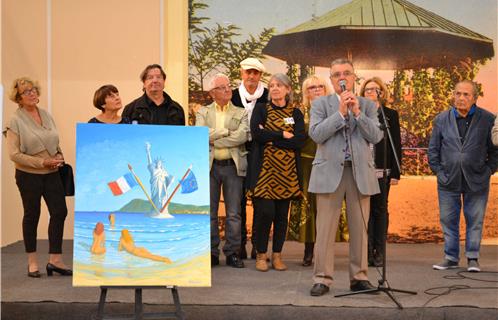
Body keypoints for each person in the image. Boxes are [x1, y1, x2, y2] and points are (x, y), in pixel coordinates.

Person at [308, 59, 382, 296]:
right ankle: (322, 278)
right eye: (336, 74)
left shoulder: (368, 106)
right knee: (325, 230)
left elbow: (376, 136)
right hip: (329, 172)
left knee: (360, 229)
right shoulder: (320, 104)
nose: (342, 77)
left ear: (354, 78)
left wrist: (358, 113)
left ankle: (359, 277)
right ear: (331, 80)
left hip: (359, 172)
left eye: (346, 73)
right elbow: (317, 134)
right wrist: (340, 113)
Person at [5, 77, 72, 278]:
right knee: (32, 215)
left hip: (52, 173)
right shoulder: (14, 121)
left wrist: (59, 155)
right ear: (18, 98)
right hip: (29, 175)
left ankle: (55, 260)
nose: (32, 93)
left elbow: (54, 140)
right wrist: (42, 162)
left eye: (33, 90)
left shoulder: (46, 115)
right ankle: (32, 262)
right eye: (26, 92)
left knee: (59, 212)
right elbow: (14, 155)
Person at [428, 80, 498, 273]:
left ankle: (472, 258)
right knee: (448, 219)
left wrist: (488, 171)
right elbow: (433, 150)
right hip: (448, 180)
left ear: (475, 98)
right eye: (458, 93)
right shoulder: (441, 119)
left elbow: (495, 152)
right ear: (453, 95)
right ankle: (450, 258)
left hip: (477, 181)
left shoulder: (488, 119)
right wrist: (439, 172)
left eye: (466, 94)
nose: (461, 98)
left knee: (475, 220)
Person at [247, 73, 305, 272]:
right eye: (271, 85)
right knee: (265, 213)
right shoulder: (261, 109)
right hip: (265, 173)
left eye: (279, 85)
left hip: (288, 174)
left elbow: (298, 140)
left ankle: (277, 255)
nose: (274, 88)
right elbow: (256, 134)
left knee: (282, 217)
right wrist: (281, 134)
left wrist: (271, 139)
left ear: (288, 89)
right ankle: (261, 255)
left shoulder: (295, 113)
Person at [196, 73, 248, 268]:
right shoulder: (203, 112)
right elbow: (200, 134)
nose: (228, 90)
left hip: (232, 167)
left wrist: (214, 138)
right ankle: (211, 252)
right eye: (222, 87)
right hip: (209, 168)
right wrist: (227, 132)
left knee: (234, 213)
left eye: (228, 86)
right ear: (212, 92)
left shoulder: (241, 112)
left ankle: (233, 252)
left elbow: (241, 137)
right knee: (209, 213)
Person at [359, 77, 402, 267]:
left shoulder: (390, 115)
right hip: (361, 169)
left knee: (380, 209)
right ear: (362, 93)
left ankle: (379, 252)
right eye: (367, 90)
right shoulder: (358, 113)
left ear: (381, 92)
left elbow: (396, 144)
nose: (371, 92)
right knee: (364, 212)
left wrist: (395, 173)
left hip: (382, 168)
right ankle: (366, 251)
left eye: (375, 89)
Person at [288, 75, 331, 266]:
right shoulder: (299, 112)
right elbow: (292, 137)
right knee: (309, 208)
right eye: (311, 87)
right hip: (306, 165)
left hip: (328, 164)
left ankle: (325, 251)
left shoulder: (333, 110)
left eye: (320, 86)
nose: (316, 89)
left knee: (326, 208)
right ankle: (308, 251)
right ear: (306, 92)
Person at [231, 57, 269, 260]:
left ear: (260, 75)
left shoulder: (268, 96)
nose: (252, 76)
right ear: (242, 74)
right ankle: (239, 244)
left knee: (260, 200)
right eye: (248, 72)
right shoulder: (233, 96)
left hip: (261, 151)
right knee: (237, 200)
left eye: (255, 73)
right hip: (237, 150)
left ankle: (257, 244)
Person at [145, 142, 174, 215]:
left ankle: (163, 210)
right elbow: (149, 163)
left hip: (162, 187)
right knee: (156, 197)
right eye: (157, 163)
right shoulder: (153, 170)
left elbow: (169, 178)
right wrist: (148, 151)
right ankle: (155, 210)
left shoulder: (163, 171)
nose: (158, 164)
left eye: (160, 163)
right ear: (156, 164)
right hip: (155, 187)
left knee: (163, 197)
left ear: (161, 165)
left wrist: (171, 179)